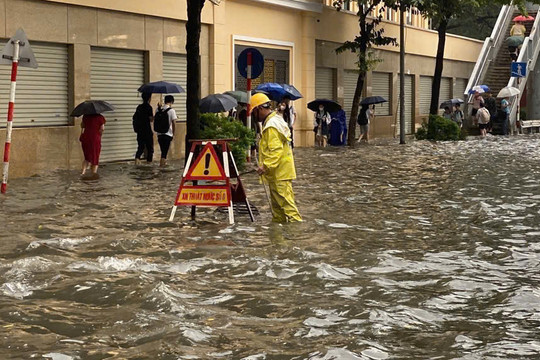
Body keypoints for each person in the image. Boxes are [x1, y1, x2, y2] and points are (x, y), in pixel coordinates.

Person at [250, 93, 302, 223]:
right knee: (278, 212)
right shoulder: (275, 120)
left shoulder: (271, 126)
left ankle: (296, 238)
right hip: (278, 174)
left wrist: (264, 166)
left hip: (280, 174)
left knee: (289, 211)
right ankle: (278, 240)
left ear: (259, 109)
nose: (253, 117)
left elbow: (275, 151)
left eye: (254, 113)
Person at [79, 113, 106, 177]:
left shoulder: (85, 116)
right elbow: (102, 128)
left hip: (85, 138)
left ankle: (83, 173)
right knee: (95, 157)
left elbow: (82, 126)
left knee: (87, 157)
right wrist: (100, 134)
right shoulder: (100, 117)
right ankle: (94, 174)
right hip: (95, 139)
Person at [155, 95, 177, 167]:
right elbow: (174, 123)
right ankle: (162, 166)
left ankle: (163, 164)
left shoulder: (158, 109)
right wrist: (174, 133)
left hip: (159, 134)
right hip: (168, 134)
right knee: (164, 152)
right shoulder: (171, 111)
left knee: (163, 151)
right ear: (171, 102)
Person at [133, 92, 154, 164]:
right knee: (150, 148)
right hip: (147, 130)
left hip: (140, 130)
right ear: (149, 98)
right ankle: (149, 163)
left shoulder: (139, 107)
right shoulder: (149, 107)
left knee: (140, 147)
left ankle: (136, 160)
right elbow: (151, 119)